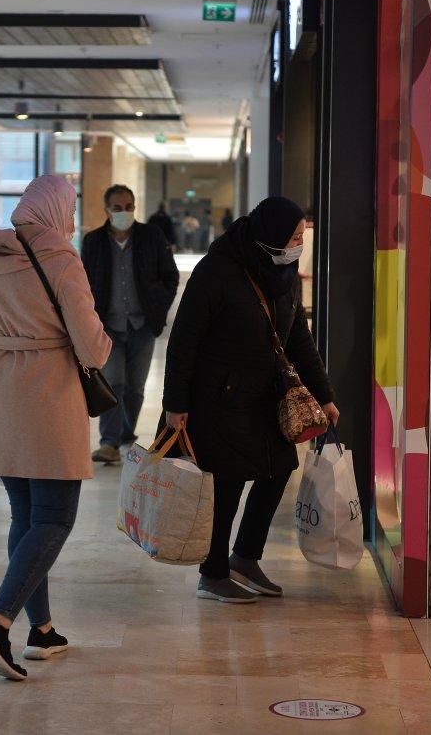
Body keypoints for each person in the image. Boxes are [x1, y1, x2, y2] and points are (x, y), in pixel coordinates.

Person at [0, 175, 111, 681]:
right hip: (50, 396)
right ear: (58, 211)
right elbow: (91, 348)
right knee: (55, 518)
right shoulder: (63, 260)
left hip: (3, 399)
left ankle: (40, 630)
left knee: (25, 518)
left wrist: (10, 339)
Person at [162, 196, 340, 603]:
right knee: (227, 483)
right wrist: (176, 403)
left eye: (301, 237)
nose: (298, 244)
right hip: (218, 397)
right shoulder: (219, 270)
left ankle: (245, 556)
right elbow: (183, 341)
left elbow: (299, 339)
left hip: (266, 395)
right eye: (293, 237)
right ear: (271, 234)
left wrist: (324, 395)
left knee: (278, 470)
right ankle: (213, 571)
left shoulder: (283, 271)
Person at [81, 184, 179, 464]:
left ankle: (126, 435)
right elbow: (83, 282)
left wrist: (158, 307)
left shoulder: (151, 236)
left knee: (135, 386)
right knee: (113, 383)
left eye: (129, 207)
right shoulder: (94, 242)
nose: (124, 212)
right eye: (117, 208)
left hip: (142, 325)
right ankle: (108, 442)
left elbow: (169, 276)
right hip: (108, 326)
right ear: (107, 210)